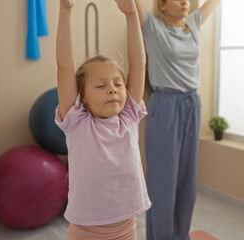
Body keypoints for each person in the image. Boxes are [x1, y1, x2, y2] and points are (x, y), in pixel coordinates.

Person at [55, 0, 151, 239]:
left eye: (118, 84)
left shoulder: (128, 116)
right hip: (86, 232)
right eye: (100, 85)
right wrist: (65, 10)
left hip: (127, 229)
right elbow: (64, 67)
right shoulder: (77, 123)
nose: (112, 89)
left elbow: (139, 66)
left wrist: (131, 15)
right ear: (83, 97)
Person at [132, 0, 221, 239]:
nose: (186, 2)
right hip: (166, 105)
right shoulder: (152, 27)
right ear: (162, 5)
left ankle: (180, 235)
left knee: (187, 182)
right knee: (162, 182)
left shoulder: (192, 24)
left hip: (192, 104)